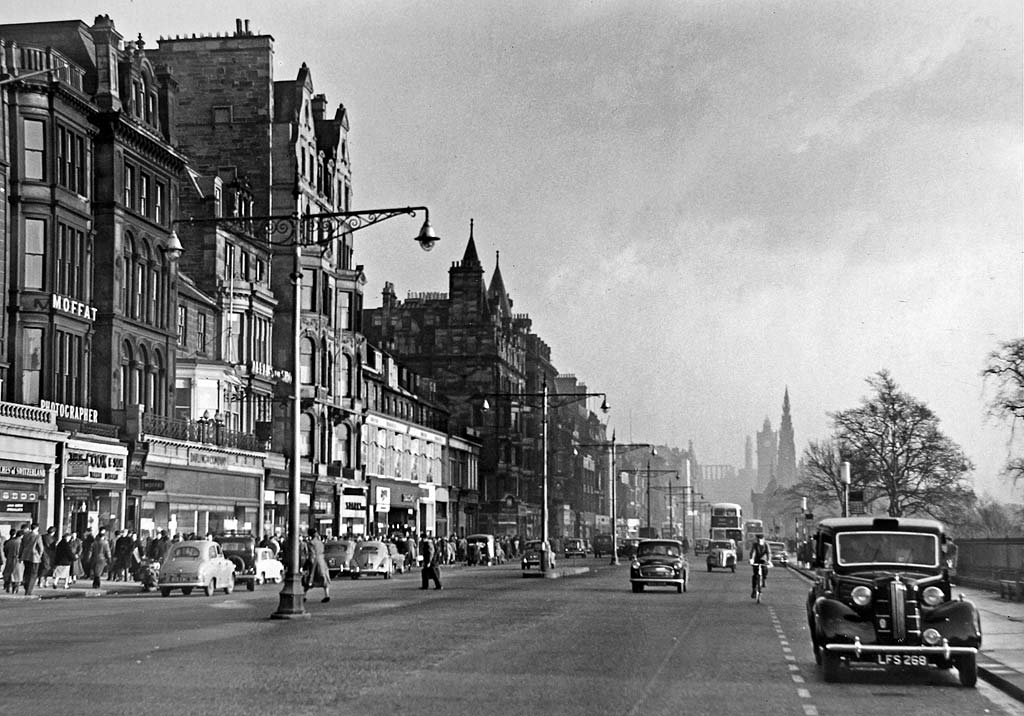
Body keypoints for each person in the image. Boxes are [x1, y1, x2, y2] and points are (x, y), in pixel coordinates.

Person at [304, 527, 331, 603]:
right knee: (324, 578)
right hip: (322, 561)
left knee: (310, 578)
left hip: (315, 562)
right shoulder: (320, 542)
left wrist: (308, 563)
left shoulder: (311, 543)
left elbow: (311, 554)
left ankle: (304, 596)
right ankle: (327, 595)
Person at [749, 534, 771, 599]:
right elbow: (752, 552)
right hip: (756, 560)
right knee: (755, 575)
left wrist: (769, 560)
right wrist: (751, 559)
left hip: (763, 560)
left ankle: (764, 579)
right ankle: (753, 590)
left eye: (760, 539)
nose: (759, 541)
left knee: (765, 569)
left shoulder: (766, 545)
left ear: (763, 539)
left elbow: (768, 553)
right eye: (758, 539)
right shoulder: (755, 545)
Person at [3, 527, 23, 594]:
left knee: (8, 572)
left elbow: (5, 551)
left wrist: (7, 556)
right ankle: (15, 588)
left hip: (9, 558)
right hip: (18, 560)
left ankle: (7, 586)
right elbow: (22, 552)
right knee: (17, 574)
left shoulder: (9, 542)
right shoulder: (21, 543)